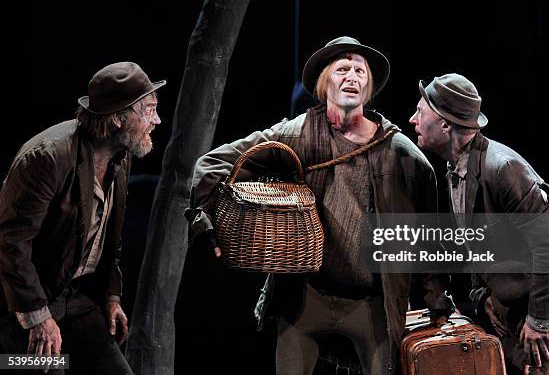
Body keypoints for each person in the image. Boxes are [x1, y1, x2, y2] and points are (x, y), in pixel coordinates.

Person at [185, 36, 453, 375]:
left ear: (368, 87)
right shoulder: (298, 134)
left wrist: (436, 302)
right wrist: (208, 226)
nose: (352, 76)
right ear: (326, 83)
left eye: (360, 70)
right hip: (304, 298)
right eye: (342, 69)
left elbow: (427, 235)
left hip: (372, 304)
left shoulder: (401, 154)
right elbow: (214, 164)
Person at [409, 73, 549, 374]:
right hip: (514, 297)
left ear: (445, 125)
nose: (412, 119)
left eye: (420, 111)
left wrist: (539, 320)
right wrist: (481, 294)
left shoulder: (502, 168)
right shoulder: (456, 166)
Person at [0, 61, 165, 374]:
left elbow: (108, 236)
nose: (156, 120)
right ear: (118, 117)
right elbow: (10, 242)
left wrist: (111, 296)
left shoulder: (121, 153)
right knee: (37, 367)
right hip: (21, 301)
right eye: (149, 109)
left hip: (71, 297)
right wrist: (37, 317)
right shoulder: (48, 157)